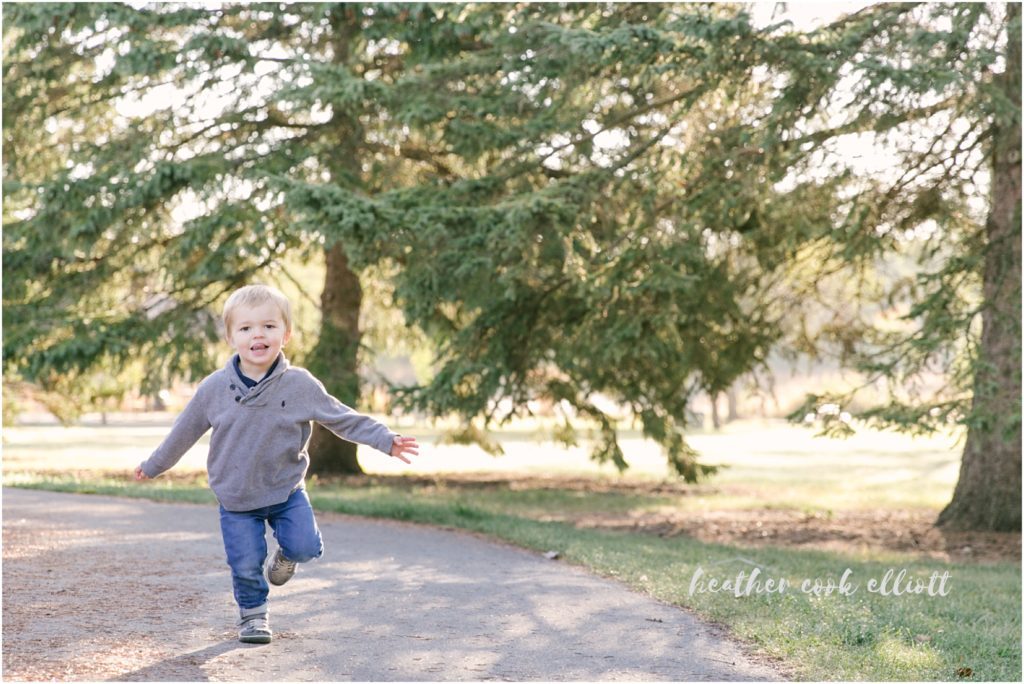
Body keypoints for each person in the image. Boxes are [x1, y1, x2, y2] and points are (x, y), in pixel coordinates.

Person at [134, 283, 419, 644]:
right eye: (246, 328)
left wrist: (385, 440)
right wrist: (154, 465)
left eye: (269, 326)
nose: (258, 335)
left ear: (286, 334)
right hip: (236, 497)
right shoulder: (214, 389)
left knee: (305, 546)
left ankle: (287, 556)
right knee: (245, 562)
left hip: (286, 491)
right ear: (230, 337)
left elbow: (342, 418)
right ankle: (253, 616)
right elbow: (183, 433)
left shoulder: (299, 384)